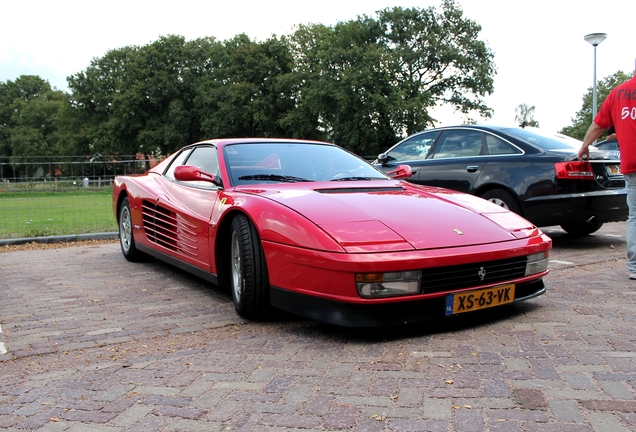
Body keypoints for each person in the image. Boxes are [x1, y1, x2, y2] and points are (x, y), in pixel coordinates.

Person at [578, 60, 636, 279]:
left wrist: (584, 145)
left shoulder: (618, 93)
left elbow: (598, 124)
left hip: (632, 163)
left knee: (635, 216)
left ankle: (634, 268)